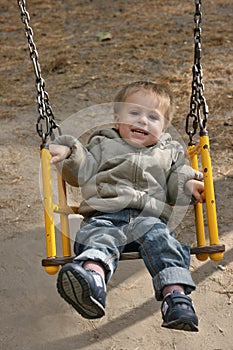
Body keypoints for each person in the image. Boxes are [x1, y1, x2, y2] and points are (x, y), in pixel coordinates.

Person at [49, 81, 204, 332]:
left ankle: (175, 297)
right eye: (134, 113)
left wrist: (188, 184)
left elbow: (177, 180)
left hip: (149, 218)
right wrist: (69, 151)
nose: (142, 121)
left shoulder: (169, 151)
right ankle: (93, 282)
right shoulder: (101, 144)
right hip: (106, 213)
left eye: (152, 117)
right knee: (98, 237)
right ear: (117, 119)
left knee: (164, 242)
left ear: (164, 128)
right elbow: (80, 171)